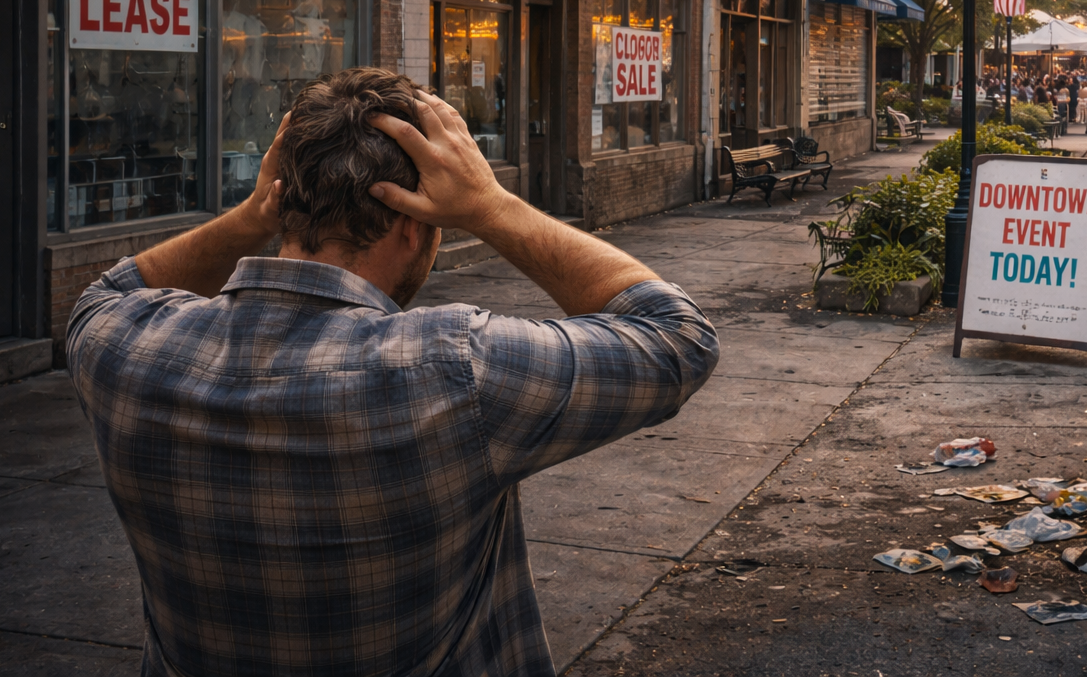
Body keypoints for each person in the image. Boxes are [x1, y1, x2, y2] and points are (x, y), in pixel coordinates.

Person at [64, 68, 719, 677]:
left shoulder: (126, 349)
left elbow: (106, 293)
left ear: (282, 200)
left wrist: (252, 214)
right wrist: (490, 207)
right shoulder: (454, 368)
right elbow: (676, 334)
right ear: (413, 225)